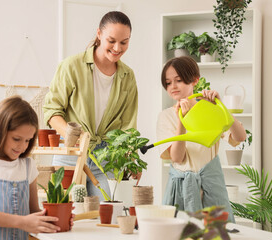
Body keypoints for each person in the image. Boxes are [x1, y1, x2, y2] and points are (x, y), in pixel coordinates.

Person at [43, 11, 138, 200]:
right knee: (65, 214)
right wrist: (73, 135)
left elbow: (128, 125)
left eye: (124, 42)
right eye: (111, 40)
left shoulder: (128, 76)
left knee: (107, 215)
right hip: (70, 152)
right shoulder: (71, 66)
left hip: (107, 157)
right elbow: (52, 111)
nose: (117, 48)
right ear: (99, 34)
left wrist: (131, 160)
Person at [0, 96, 72, 239]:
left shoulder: (27, 166)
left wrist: (58, 219)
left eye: (28, 140)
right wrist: (22, 222)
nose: (23, 146)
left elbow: (33, 211)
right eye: (16, 139)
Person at [157, 56, 246, 222]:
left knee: (217, 233)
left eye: (179, 80)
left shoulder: (208, 108)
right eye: (168, 82)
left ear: (195, 80)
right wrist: (181, 121)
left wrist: (220, 106)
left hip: (212, 186)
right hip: (181, 189)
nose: (173, 86)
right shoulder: (165, 116)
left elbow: (240, 136)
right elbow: (177, 157)